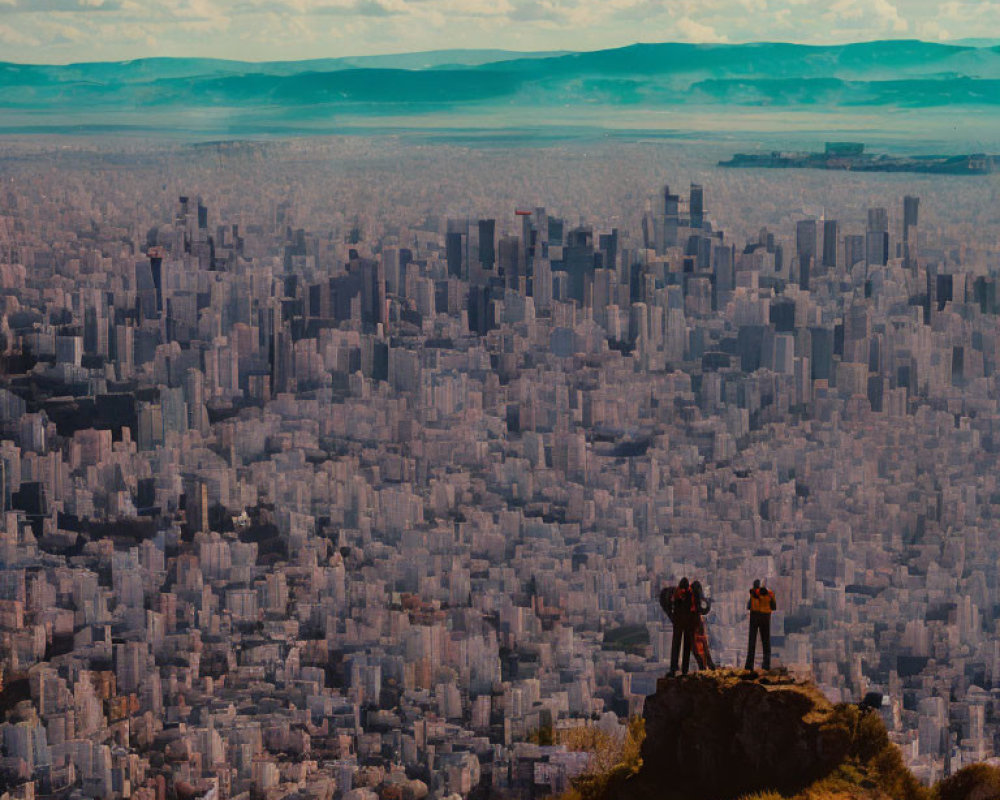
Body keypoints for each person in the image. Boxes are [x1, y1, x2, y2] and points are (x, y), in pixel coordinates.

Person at [661, 577, 697, 676]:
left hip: (681, 623)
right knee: (682, 645)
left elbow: (672, 606)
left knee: (680, 645)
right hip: (683, 623)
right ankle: (679, 669)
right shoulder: (683, 593)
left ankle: (679, 669)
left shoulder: (681, 593)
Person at [744, 579, 776, 671]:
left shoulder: (753, 593)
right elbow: (774, 607)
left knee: (752, 642)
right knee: (766, 642)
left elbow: (748, 606)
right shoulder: (770, 593)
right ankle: (766, 666)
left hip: (754, 616)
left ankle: (749, 666)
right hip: (765, 617)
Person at [691, 580, 716, 670]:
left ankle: (703, 665)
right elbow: (704, 610)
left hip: (693, 623)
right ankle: (708, 664)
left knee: (696, 645)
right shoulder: (697, 597)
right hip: (697, 621)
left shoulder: (690, 597)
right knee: (702, 643)